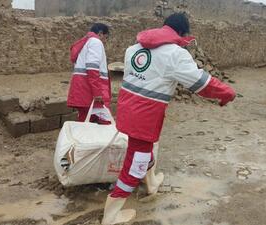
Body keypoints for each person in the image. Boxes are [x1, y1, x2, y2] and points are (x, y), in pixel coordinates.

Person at [101, 13, 236, 225]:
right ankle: (111, 215)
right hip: (145, 117)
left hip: (128, 111)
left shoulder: (133, 48)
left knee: (149, 147)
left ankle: (152, 181)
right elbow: (202, 83)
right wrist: (227, 93)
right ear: (182, 33)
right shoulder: (175, 54)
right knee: (135, 164)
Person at [67, 23, 112, 124]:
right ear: (100, 34)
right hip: (89, 91)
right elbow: (92, 68)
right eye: (106, 37)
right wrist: (97, 93)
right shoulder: (96, 42)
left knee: (85, 121)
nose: (105, 41)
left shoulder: (86, 43)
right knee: (104, 122)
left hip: (82, 90)